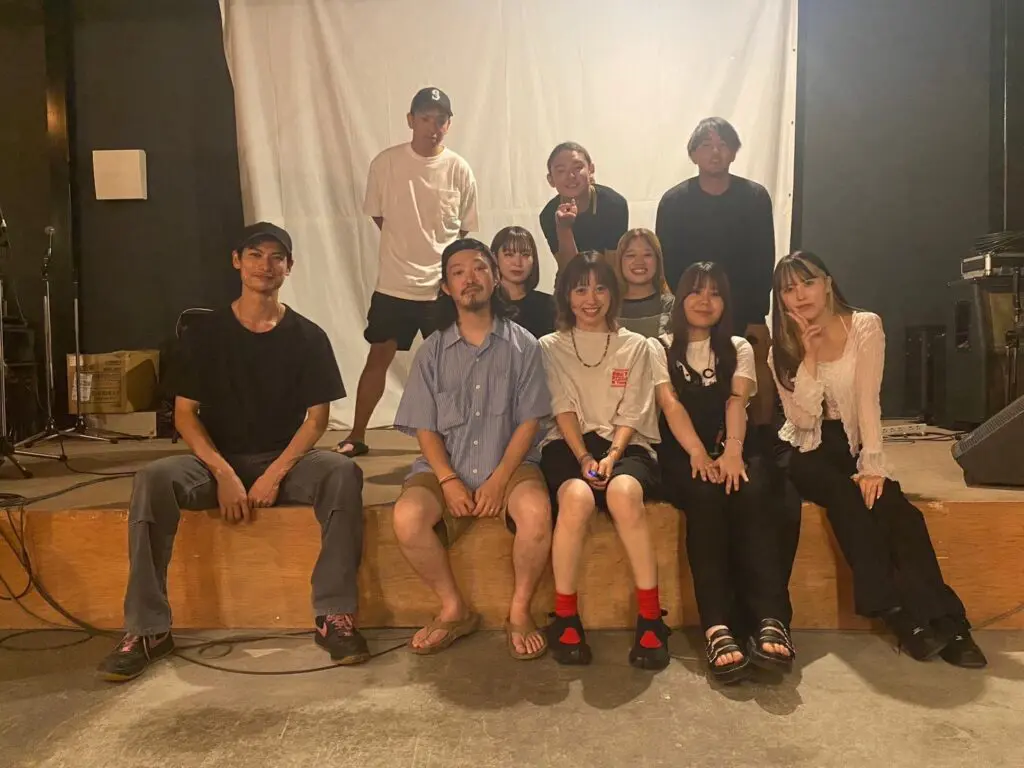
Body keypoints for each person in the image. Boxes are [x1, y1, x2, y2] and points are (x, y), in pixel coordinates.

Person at [97, 223, 368, 682]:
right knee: (153, 479)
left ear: (289, 267)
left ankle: (334, 615)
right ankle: (147, 629)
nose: (266, 265)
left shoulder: (308, 336)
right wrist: (223, 473)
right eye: (255, 254)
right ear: (237, 261)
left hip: (283, 461)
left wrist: (274, 474)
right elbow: (186, 415)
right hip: (213, 461)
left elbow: (316, 421)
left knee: (341, 471)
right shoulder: (205, 334)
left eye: (276, 256)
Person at [770, 251, 986, 668]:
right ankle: (902, 615)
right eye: (788, 289)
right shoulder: (782, 344)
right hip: (804, 448)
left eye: (808, 282)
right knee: (847, 501)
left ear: (827, 283)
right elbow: (803, 419)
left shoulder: (864, 325)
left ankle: (945, 621)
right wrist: (808, 355)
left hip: (853, 442)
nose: (800, 295)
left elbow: (868, 401)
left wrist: (871, 465)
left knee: (898, 512)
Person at [655, 116, 800, 624]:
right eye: (706, 144)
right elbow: (671, 266)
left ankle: (748, 447)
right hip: (694, 311)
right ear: (694, 152)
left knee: (749, 400)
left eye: (723, 145)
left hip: (742, 313)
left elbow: (763, 259)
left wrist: (751, 318)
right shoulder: (674, 201)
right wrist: (694, 306)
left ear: (734, 151)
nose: (714, 152)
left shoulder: (754, 197)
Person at [391, 238, 554, 659]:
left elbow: (530, 421)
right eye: (458, 272)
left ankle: (519, 611)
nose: (470, 278)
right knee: (407, 518)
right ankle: (454, 608)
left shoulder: (525, 346)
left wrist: (500, 480)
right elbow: (425, 425)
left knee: (536, 514)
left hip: (511, 465)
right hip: (446, 466)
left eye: (480, 268)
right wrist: (447, 480)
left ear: (495, 277)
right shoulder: (432, 352)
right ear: (446, 287)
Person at [650, 262, 793, 683]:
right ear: (681, 298)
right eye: (696, 291)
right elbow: (670, 403)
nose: (705, 300)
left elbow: (736, 401)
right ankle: (716, 626)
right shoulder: (659, 347)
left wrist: (731, 452)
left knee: (754, 492)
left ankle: (769, 618)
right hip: (681, 452)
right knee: (705, 498)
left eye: (715, 293)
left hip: (734, 443)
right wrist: (698, 453)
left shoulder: (738, 346)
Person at [538, 251, 669, 669]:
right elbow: (562, 407)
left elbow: (634, 409)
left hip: (627, 443)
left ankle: (651, 618)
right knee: (576, 499)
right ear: (566, 295)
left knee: (624, 493)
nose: (590, 299)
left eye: (599, 288)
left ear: (613, 293)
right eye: (580, 289)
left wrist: (612, 456)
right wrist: (583, 457)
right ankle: (565, 617)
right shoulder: (549, 346)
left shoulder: (637, 346)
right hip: (569, 443)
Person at [336, 87, 479, 458]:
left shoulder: (459, 168)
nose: (433, 127)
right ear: (410, 120)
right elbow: (379, 216)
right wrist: (407, 247)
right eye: (426, 118)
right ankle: (357, 433)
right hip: (394, 284)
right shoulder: (386, 164)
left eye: (440, 120)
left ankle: (457, 439)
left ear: (449, 124)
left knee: (452, 366)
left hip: (441, 289)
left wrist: (442, 267)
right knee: (378, 357)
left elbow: (462, 230)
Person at [539, 142, 628, 271]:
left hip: (608, 276)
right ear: (551, 179)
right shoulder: (549, 214)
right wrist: (563, 228)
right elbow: (568, 270)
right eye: (561, 171)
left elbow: (613, 267)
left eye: (577, 167)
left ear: (591, 169)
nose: (571, 176)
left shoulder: (613, 205)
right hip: (572, 277)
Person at [491, 225, 555, 339]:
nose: (518, 262)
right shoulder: (486, 304)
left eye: (525, 255)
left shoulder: (550, 305)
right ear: (495, 257)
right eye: (509, 255)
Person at [613, 228, 674, 338]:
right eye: (631, 255)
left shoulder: (670, 306)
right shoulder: (608, 305)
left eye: (647, 255)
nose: (639, 262)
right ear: (620, 261)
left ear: (658, 260)